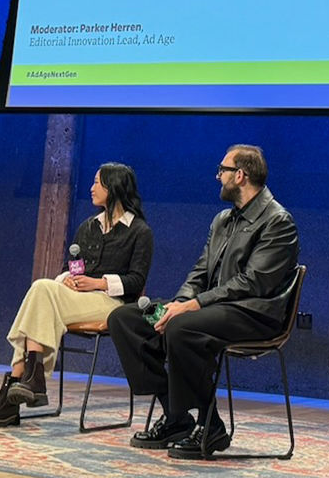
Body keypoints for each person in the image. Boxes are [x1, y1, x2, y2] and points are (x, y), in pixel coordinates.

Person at [108, 144, 298, 459]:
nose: (217, 176)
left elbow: (253, 282)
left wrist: (190, 307)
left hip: (254, 314)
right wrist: (178, 303)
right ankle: (177, 416)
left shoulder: (277, 221)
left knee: (182, 327)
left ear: (240, 175)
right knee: (128, 319)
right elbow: (199, 272)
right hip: (210, 309)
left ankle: (210, 426)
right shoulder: (222, 220)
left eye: (222, 170)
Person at [0, 162, 153, 427]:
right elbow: (68, 267)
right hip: (76, 299)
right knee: (45, 290)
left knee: (42, 291)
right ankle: (29, 380)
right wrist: (67, 280)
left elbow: (136, 280)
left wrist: (98, 283)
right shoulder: (88, 226)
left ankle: (19, 383)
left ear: (114, 186)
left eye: (97, 182)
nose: (91, 188)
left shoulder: (140, 231)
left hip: (112, 304)